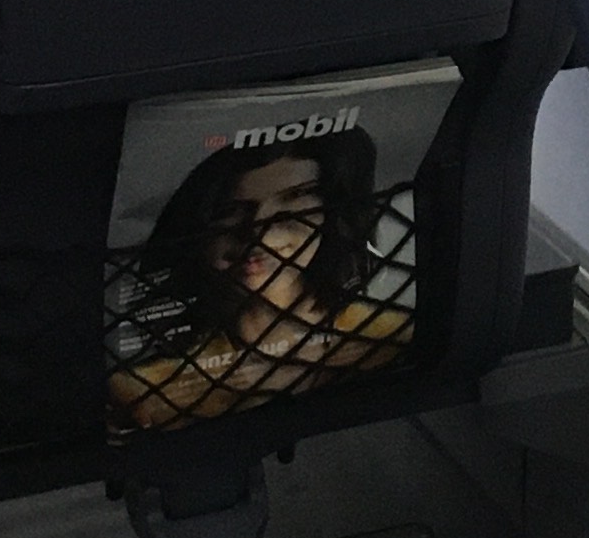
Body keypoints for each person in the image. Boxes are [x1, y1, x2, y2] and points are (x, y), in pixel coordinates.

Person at [109, 128, 413, 429]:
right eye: (228, 209)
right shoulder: (148, 384)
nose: (259, 234)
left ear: (329, 210)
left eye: (294, 197)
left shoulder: (391, 336)